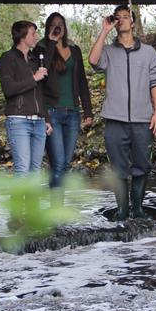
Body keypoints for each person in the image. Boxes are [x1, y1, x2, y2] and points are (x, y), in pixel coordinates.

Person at [89, 5, 156, 220]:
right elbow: (93, 61)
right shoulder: (109, 52)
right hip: (115, 120)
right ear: (115, 23)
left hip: (143, 120)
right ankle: (122, 211)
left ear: (133, 22)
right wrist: (104, 30)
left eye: (126, 17)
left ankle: (138, 209)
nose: (122, 20)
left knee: (142, 165)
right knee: (118, 168)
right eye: (118, 17)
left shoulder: (149, 52)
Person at [0, 20, 52, 228]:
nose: (36, 37)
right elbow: (9, 90)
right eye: (33, 34)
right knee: (22, 169)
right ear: (22, 36)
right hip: (18, 120)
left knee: (35, 170)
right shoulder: (6, 59)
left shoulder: (35, 59)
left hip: (38, 123)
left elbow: (40, 94)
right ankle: (15, 216)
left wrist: (46, 118)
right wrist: (34, 77)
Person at [38, 12, 94, 201]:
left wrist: (88, 110)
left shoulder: (74, 49)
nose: (57, 27)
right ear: (48, 28)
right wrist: (52, 43)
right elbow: (41, 72)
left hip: (73, 113)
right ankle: (56, 208)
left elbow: (82, 81)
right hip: (52, 112)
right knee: (59, 162)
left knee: (64, 163)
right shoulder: (41, 48)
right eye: (53, 25)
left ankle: (56, 206)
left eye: (60, 24)